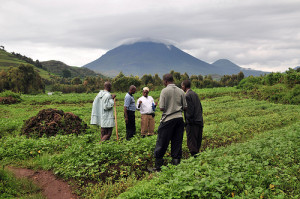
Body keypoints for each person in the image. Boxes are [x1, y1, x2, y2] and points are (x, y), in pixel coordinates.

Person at [152, 74, 187, 171]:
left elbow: (162, 107)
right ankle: (176, 165)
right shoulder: (181, 91)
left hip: (168, 119)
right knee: (177, 142)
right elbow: (185, 107)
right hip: (179, 119)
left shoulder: (164, 90)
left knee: (162, 142)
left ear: (165, 81)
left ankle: (158, 166)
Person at [181, 79, 204, 157]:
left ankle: (194, 157)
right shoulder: (194, 94)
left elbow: (189, 110)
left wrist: (188, 122)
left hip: (192, 123)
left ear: (184, 86)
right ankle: (197, 156)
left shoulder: (187, 96)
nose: (181, 88)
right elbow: (200, 108)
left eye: (182, 86)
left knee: (191, 141)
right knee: (197, 140)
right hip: (199, 120)